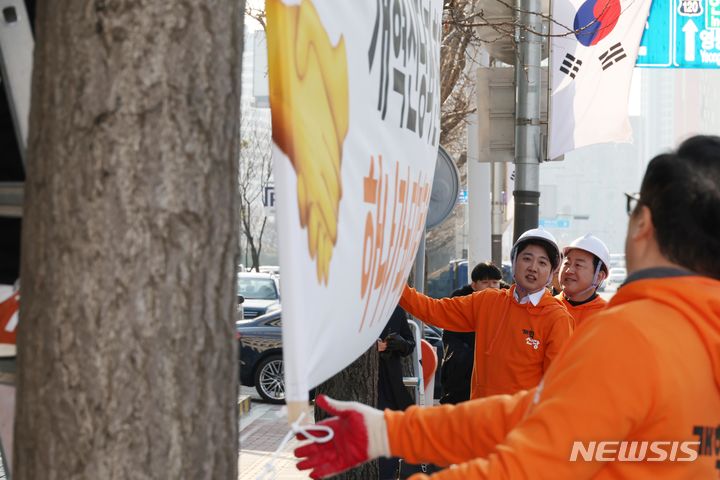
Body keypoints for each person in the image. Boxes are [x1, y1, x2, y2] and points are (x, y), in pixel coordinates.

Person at [294, 135, 720, 478]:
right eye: (527, 258)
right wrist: (386, 431)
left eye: (546, 261)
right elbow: (543, 410)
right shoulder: (693, 337)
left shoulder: (626, 333)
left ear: (642, 222)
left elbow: (531, 462)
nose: (536, 268)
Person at [399, 227, 574, 400]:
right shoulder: (488, 301)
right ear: (514, 263)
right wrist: (395, 287)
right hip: (480, 420)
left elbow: (557, 386)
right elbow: (434, 310)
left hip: (522, 424)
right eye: (527, 258)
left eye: (542, 263)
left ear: (551, 273)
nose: (533, 267)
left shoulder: (556, 317)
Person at [440, 262, 502, 405]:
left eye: (495, 282)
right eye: (485, 282)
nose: (492, 287)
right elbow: (451, 339)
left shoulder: (507, 301)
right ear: (474, 285)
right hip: (462, 371)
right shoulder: (460, 301)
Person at [376, 306, 415, 479]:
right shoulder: (358, 306)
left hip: (392, 383)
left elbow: (410, 344)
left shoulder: (396, 310)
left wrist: (400, 343)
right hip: (369, 385)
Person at [556, 234, 610, 326]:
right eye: (567, 263)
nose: (569, 270)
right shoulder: (547, 307)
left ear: (598, 277)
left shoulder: (608, 316)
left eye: (578, 265)